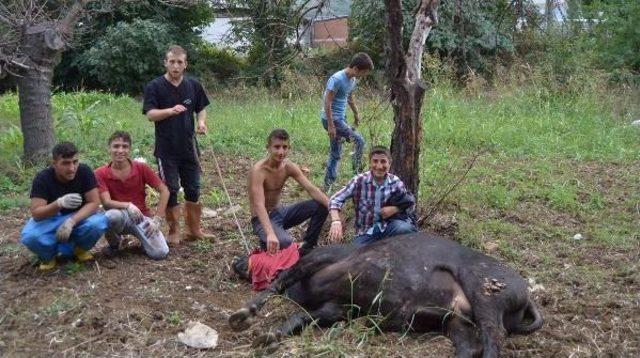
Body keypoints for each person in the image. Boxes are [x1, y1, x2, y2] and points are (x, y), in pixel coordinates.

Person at [143, 44, 211, 244]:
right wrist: (169, 111)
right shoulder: (155, 86)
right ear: (166, 63)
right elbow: (150, 115)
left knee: (193, 187)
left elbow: (201, 108)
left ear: (185, 65)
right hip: (166, 149)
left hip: (189, 147)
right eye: (171, 61)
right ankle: (173, 230)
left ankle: (194, 230)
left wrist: (201, 122)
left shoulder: (193, 85)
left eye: (179, 62)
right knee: (171, 188)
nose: (175, 66)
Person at [20, 142, 110, 270]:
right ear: (54, 163)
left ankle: (79, 249)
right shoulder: (42, 179)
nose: (72, 168)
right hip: (51, 219)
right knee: (30, 236)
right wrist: (58, 204)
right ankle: (49, 255)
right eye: (65, 163)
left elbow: (94, 203)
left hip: (78, 217)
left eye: (75, 162)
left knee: (99, 222)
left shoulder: (84, 171)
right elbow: (36, 214)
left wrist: (71, 221)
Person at [249, 129, 330, 255]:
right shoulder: (259, 171)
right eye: (277, 147)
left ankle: (308, 246)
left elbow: (312, 189)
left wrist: (334, 210)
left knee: (321, 205)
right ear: (268, 148)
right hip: (261, 219)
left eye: (284, 147)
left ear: (289, 148)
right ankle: (268, 239)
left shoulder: (288, 166)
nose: (281, 152)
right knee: (286, 243)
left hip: (279, 212)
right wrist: (270, 233)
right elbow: (259, 204)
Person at [94, 131, 170, 259]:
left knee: (160, 253)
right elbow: (106, 202)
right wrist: (128, 205)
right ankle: (115, 244)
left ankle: (143, 241)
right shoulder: (100, 173)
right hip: (119, 215)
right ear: (109, 149)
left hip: (141, 217)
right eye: (116, 146)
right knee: (109, 216)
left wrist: (157, 219)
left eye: (124, 146)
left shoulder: (141, 168)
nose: (120, 150)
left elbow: (164, 191)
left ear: (129, 149)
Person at [328, 146, 418, 246]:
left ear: (389, 163)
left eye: (383, 161)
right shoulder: (359, 181)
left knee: (405, 229)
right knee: (355, 256)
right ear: (370, 163)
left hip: (390, 226)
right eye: (375, 161)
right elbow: (335, 200)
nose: (379, 166)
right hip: (366, 232)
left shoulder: (395, 182)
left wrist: (395, 208)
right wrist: (336, 221)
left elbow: (409, 203)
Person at [321, 52, 374, 192]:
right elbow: (327, 101)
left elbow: (349, 97)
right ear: (356, 68)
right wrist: (331, 126)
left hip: (340, 118)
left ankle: (327, 184)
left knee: (336, 152)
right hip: (331, 119)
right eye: (363, 73)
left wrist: (356, 113)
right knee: (359, 141)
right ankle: (356, 176)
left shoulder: (352, 80)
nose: (363, 76)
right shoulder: (337, 79)